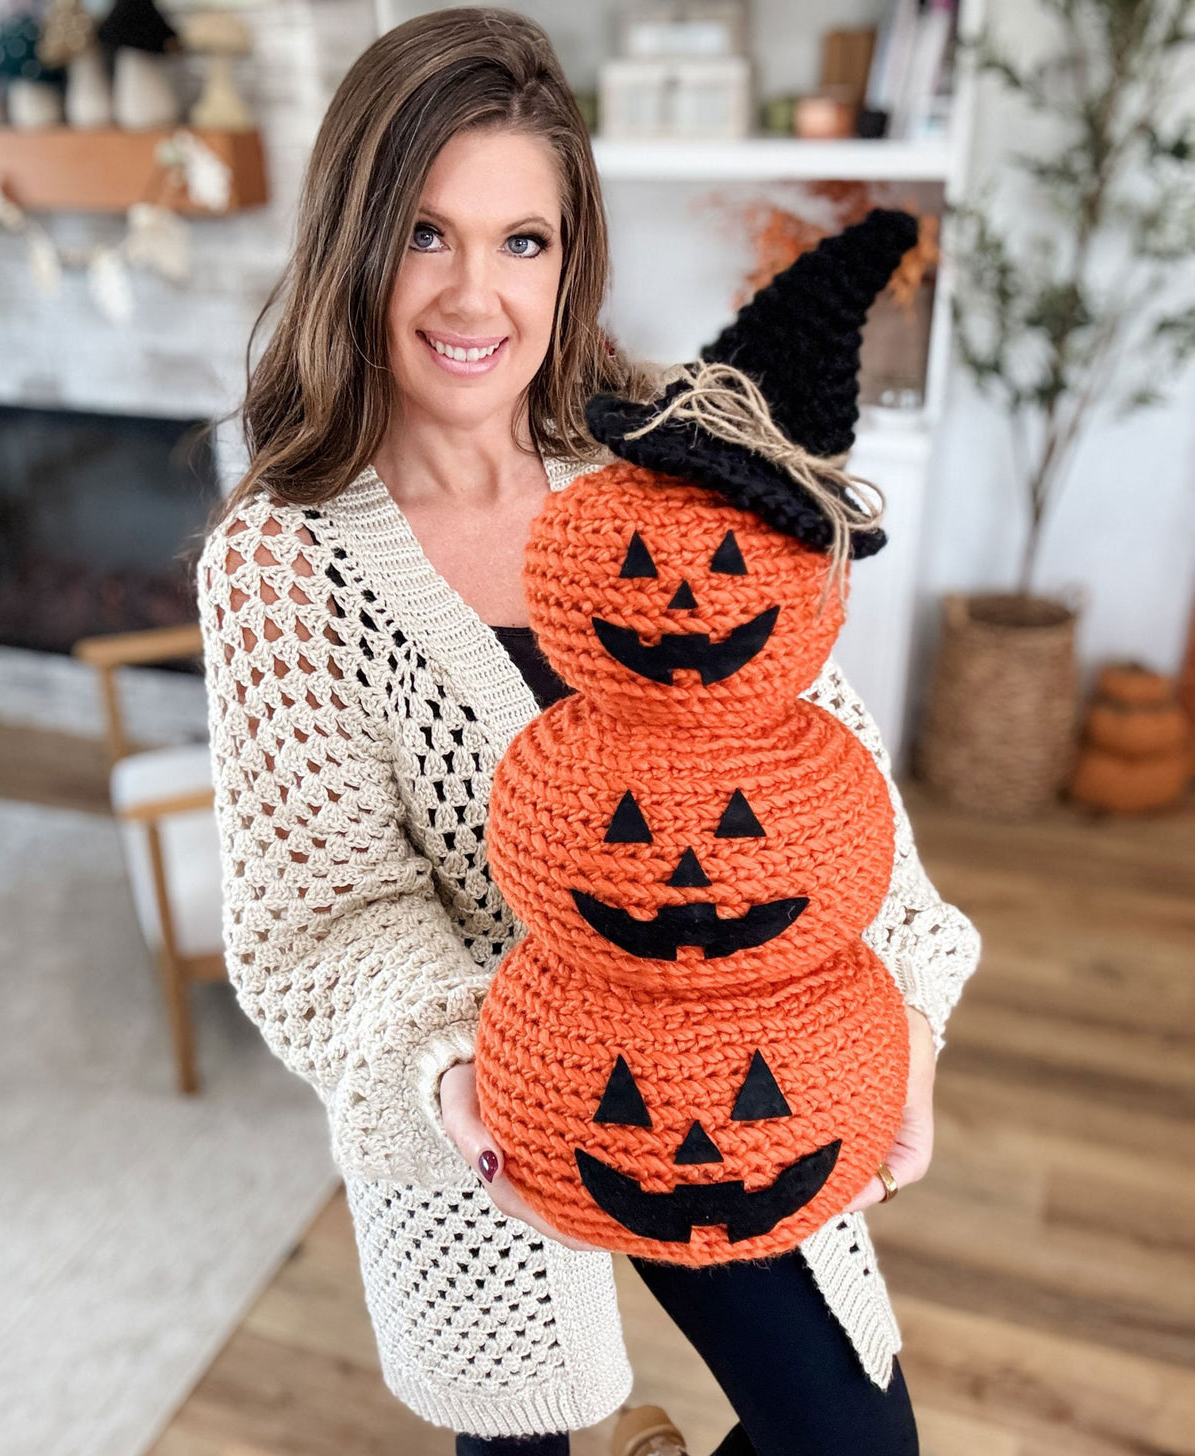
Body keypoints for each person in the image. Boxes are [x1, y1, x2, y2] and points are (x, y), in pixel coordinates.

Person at [197, 9, 981, 1455]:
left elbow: (822, 785)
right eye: (425, 234)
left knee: (856, 1440)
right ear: (351, 248)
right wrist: (455, 1070)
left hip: (731, 1077)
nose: (472, 294)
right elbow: (320, 917)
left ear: (571, 260)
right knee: (519, 1437)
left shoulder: (667, 488)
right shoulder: (283, 562)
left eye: (522, 240)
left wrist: (903, 1013)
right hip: (481, 1136)